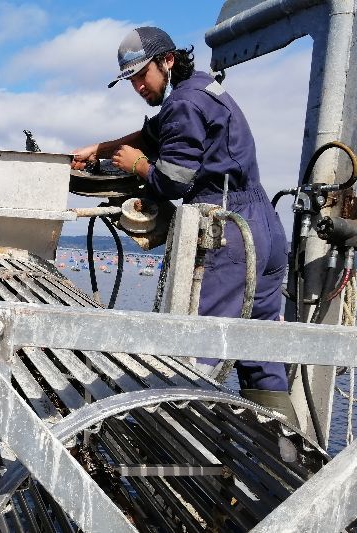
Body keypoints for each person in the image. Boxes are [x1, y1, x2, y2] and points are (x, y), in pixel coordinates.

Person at [72, 27, 294, 419]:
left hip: (227, 232)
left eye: (143, 75)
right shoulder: (200, 90)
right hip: (266, 230)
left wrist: (137, 166)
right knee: (261, 350)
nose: (139, 85)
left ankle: (178, 444)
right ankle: (286, 453)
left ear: (167, 60)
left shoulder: (183, 104)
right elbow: (150, 133)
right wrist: (101, 148)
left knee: (195, 350)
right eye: (132, 80)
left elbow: (174, 180)